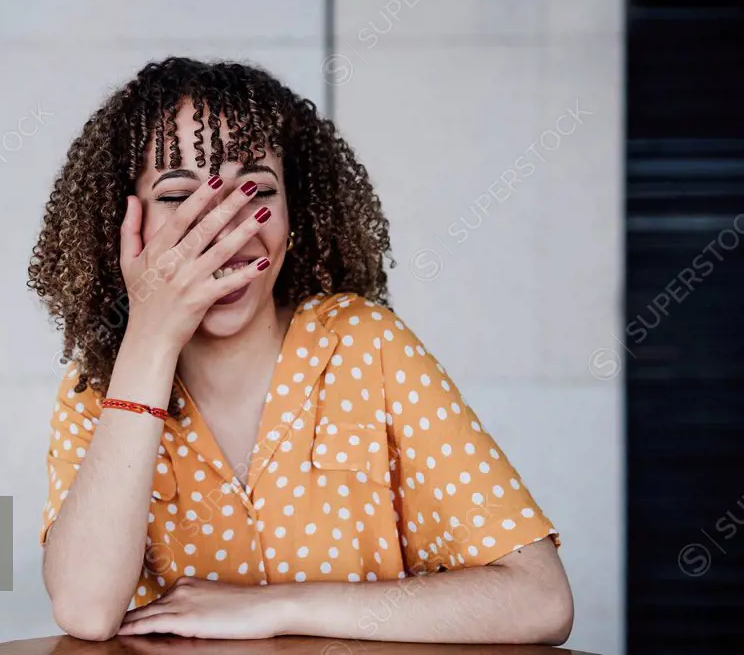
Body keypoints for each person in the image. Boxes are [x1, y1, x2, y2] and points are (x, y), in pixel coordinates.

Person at [28, 57, 573, 643]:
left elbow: (541, 600)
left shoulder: (367, 345)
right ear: (123, 221)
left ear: (295, 212)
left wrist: (279, 607)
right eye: (179, 196)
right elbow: (86, 609)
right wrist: (151, 337)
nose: (224, 229)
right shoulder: (98, 389)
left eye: (257, 190)